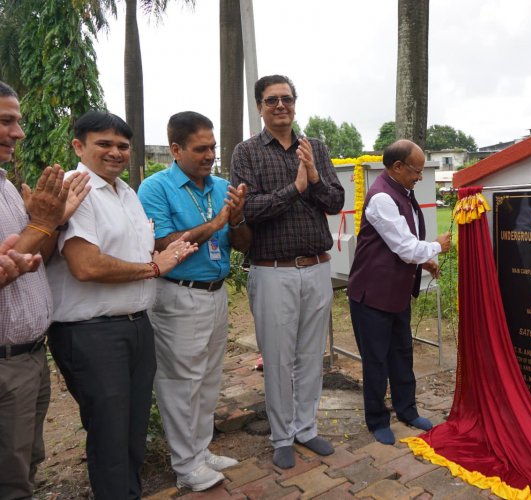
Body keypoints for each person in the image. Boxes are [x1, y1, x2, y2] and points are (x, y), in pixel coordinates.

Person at [45, 111, 198, 500]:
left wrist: (164, 256)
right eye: (104, 144)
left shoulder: (126, 192)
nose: (115, 153)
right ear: (79, 146)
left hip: (135, 326)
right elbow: (85, 265)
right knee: (110, 435)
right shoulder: (75, 189)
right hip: (93, 333)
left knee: (131, 431)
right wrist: (152, 268)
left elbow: (139, 249)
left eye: (122, 146)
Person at [231, 74, 345, 469]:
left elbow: (334, 202)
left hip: (316, 268)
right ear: (260, 106)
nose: (280, 106)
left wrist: (312, 177)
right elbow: (248, 210)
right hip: (272, 270)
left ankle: (306, 428)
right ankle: (281, 435)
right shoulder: (246, 153)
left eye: (286, 99)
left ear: (295, 103)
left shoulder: (316, 148)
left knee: (312, 354)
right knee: (278, 358)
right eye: (271, 100)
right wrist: (294, 189)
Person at [137, 111, 251, 491]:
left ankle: (201, 451)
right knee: (180, 381)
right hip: (177, 295)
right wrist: (216, 223)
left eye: (213, 147)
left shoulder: (221, 186)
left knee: (207, 379)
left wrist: (236, 220)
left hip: (214, 294)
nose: (209, 155)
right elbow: (162, 244)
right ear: (176, 149)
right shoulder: (156, 188)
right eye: (200, 149)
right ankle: (185, 464)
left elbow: (241, 244)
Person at [0, 80, 90, 499]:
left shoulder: (6, 186)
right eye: (6, 122)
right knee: (10, 476)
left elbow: (33, 256)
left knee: (27, 461)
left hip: (33, 355)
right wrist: (40, 225)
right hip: (5, 365)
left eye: (16, 122)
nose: (17, 133)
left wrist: (50, 222)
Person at [347, 139, 452, 445]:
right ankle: (377, 419)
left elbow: (405, 241)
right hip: (372, 295)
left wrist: (427, 261)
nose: (420, 176)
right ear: (396, 167)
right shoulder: (382, 197)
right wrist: (437, 246)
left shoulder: (403, 192)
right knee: (376, 359)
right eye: (416, 170)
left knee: (402, 354)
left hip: (396, 293)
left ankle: (407, 409)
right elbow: (405, 247)